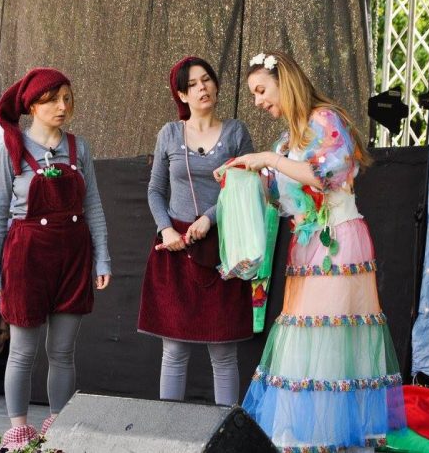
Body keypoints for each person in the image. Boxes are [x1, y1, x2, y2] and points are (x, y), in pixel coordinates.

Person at [226, 52, 406, 451]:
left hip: (338, 240)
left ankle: (331, 438)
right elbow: (282, 198)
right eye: (253, 94)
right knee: (307, 338)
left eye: (261, 91)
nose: (257, 101)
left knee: (331, 337)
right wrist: (243, 177)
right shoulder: (286, 140)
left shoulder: (325, 120)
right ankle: (309, 438)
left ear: (284, 82)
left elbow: (325, 176)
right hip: (308, 246)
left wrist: (269, 160)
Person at [0, 67, 111, 448]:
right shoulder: (12, 149)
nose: (62, 106)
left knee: (62, 351)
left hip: (73, 257)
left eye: (67, 99)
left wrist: (102, 258)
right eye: (53, 100)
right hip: (27, 258)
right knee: (23, 351)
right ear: (32, 106)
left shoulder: (79, 147)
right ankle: (19, 431)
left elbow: (93, 206)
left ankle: (59, 430)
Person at [137, 56, 255, 406]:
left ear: (216, 85)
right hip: (176, 248)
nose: (202, 88)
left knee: (223, 351)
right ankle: (169, 430)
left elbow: (247, 188)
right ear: (181, 95)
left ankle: (226, 429)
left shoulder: (236, 132)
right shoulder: (169, 134)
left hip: (222, 247)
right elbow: (155, 190)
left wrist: (210, 218)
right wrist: (165, 229)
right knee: (174, 350)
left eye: (207, 79)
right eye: (192, 84)